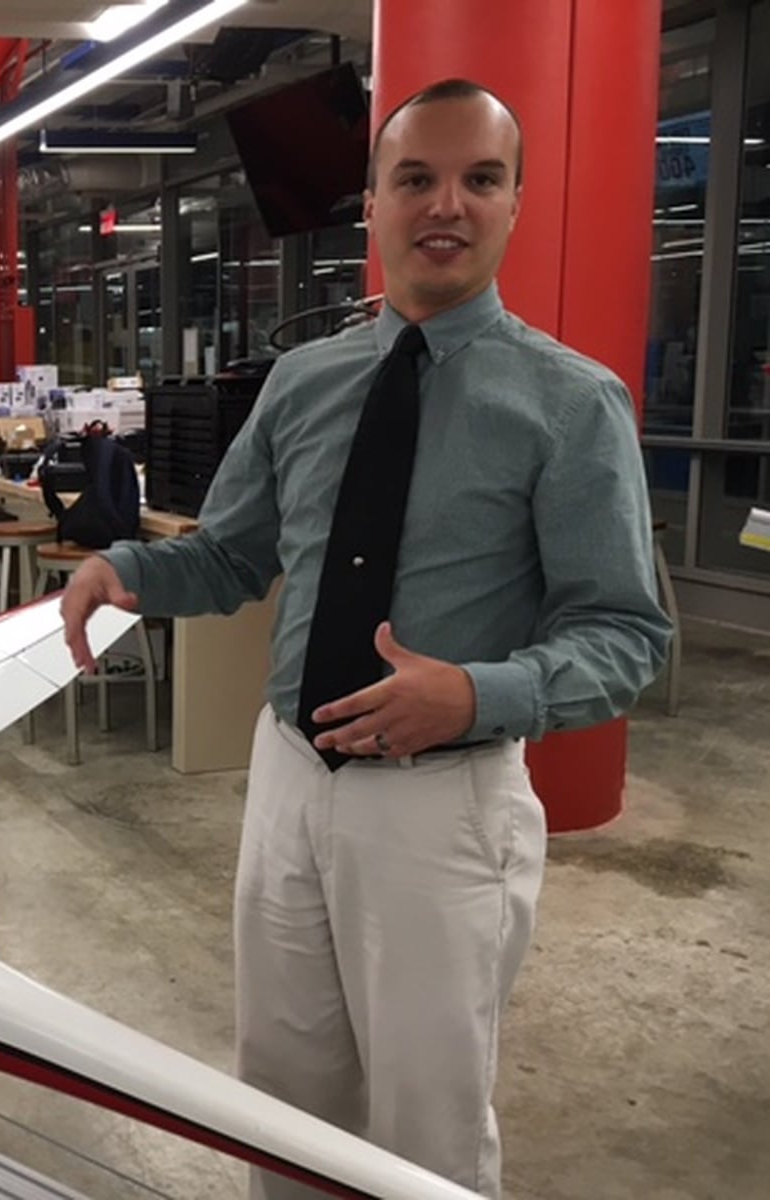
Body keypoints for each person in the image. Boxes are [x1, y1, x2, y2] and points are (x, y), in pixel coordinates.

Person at [59, 79, 671, 1199]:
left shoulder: (571, 404)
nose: (447, 203)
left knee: (426, 1126)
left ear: (514, 203)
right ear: (374, 203)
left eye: (480, 179)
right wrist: (123, 570)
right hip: (288, 780)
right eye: (416, 178)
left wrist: (478, 695)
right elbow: (232, 557)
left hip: (440, 805)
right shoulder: (303, 381)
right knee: (281, 1101)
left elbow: (627, 633)